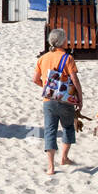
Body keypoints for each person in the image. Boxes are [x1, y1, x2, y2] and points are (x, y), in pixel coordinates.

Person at [34, 28, 83, 175]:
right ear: (62, 41)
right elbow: (74, 79)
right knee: (68, 127)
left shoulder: (43, 58)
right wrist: (80, 97)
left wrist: (48, 87)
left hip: (48, 99)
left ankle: (51, 167)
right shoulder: (67, 58)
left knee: (50, 131)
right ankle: (64, 158)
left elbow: (35, 79)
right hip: (65, 100)